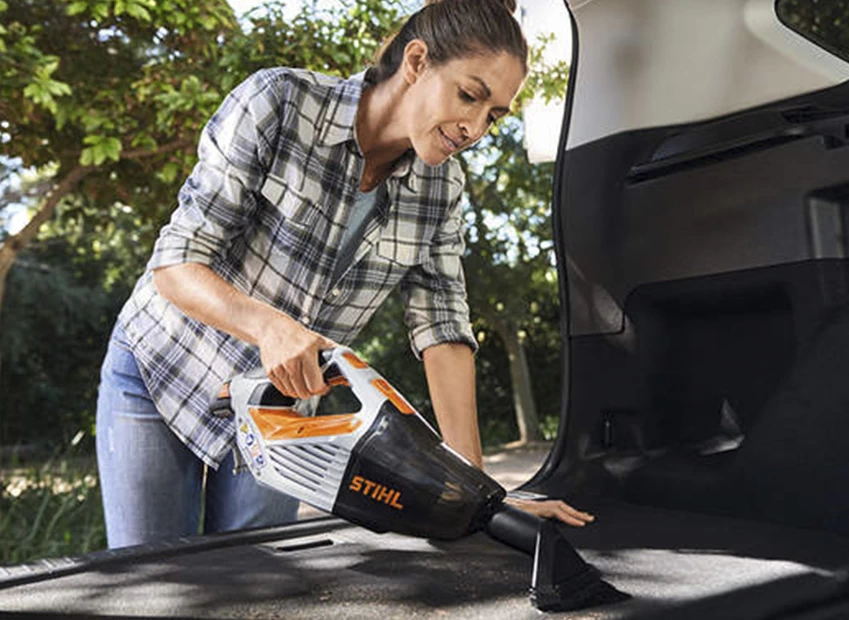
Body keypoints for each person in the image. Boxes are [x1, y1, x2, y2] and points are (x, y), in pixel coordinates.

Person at [95, 0, 593, 549]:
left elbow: (443, 332)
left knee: (250, 582)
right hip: (164, 371)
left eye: (494, 115)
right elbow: (176, 261)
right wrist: (269, 327)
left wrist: (476, 496)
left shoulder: (442, 190)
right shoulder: (279, 103)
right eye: (469, 95)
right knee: (149, 579)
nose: (474, 127)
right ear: (417, 60)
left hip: (277, 418)